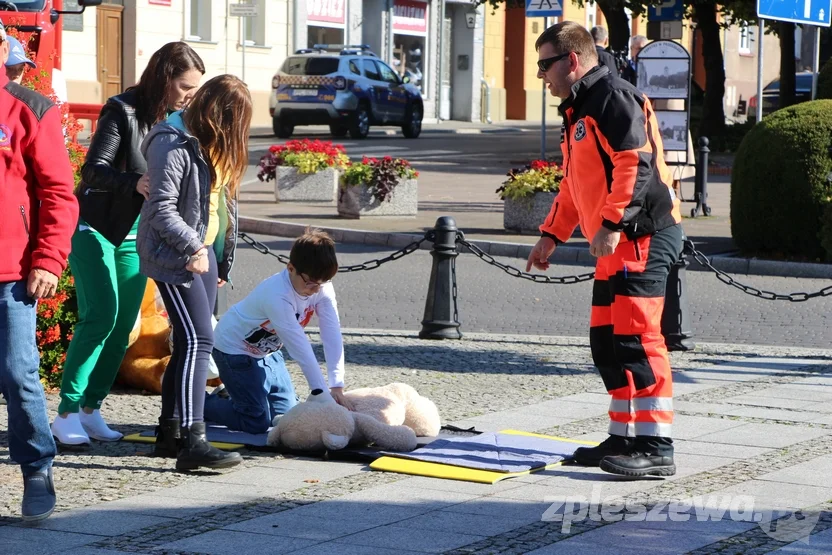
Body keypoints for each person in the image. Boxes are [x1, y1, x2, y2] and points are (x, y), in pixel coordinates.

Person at [528, 21, 683, 478]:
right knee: (608, 342)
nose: (542, 75)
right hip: (616, 240)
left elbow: (635, 163)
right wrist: (551, 234)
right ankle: (623, 437)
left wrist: (613, 222)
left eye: (545, 64)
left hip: (643, 235)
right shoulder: (579, 107)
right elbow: (577, 184)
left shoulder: (613, 96)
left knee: (637, 338)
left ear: (572, 60)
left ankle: (656, 445)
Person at [52, 42, 205, 447]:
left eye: (195, 88)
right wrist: (132, 182)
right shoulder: (123, 110)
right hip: (96, 226)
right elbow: (92, 171)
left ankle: (91, 409)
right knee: (100, 315)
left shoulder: (180, 118)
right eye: (185, 86)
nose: (191, 95)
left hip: (138, 234)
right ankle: (65, 413)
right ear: (164, 78)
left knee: (124, 327)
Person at [138, 74, 251, 471]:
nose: (234, 133)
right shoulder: (172, 140)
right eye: (232, 122)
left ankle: (169, 434)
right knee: (200, 339)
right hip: (176, 255)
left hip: (202, 256)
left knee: (190, 343)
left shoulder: (208, 141)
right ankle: (193, 441)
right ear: (215, 114)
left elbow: (219, 205)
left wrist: (219, 258)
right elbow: (160, 209)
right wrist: (195, 247)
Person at [0, 22, 78, 520]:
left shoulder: (29, 108)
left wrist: (48, 258)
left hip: (11, 271)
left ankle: (36, 467)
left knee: (18, 372)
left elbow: (57, 194)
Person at [204, 230, 353, 434]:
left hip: (268, 352)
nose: (316, 290)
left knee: (287, 417)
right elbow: (299, 346)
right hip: (234, 352)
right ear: (290, 268)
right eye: (309, 282)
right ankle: (196, 401)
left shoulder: (320, 284)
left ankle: (234, 394)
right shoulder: (277, 294)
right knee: (255, 422)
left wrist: (336, 385)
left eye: (322, 283)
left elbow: (332, 333)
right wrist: (321, 394)